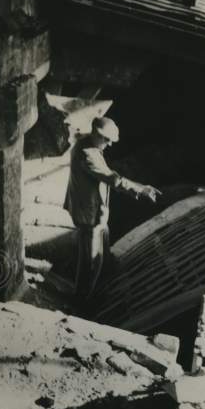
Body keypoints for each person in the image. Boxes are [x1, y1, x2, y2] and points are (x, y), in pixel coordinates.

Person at [64, 116, 160, 301]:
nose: (109, 145)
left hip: (92, 210)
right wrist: (141, 190)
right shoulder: (87, 154)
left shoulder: (87, 142)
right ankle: (82, 299)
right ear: (96, 135)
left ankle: (93, 289)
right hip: (88, 213)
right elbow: (113, 179)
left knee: (99, 253)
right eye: (107, 140)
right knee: (90, 261)